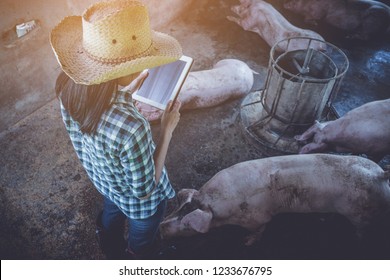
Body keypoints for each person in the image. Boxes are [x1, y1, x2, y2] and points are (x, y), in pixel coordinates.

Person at [51, 0, 183, 259]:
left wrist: (124, 92)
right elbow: (144, 190)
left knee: (111, 215)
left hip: (106, 183)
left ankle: (109, 246)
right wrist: (167, 129)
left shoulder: (67, 87)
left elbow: (93, 124)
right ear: (126, 70)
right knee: (142, 243)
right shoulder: (133, 128)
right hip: (140, 207)